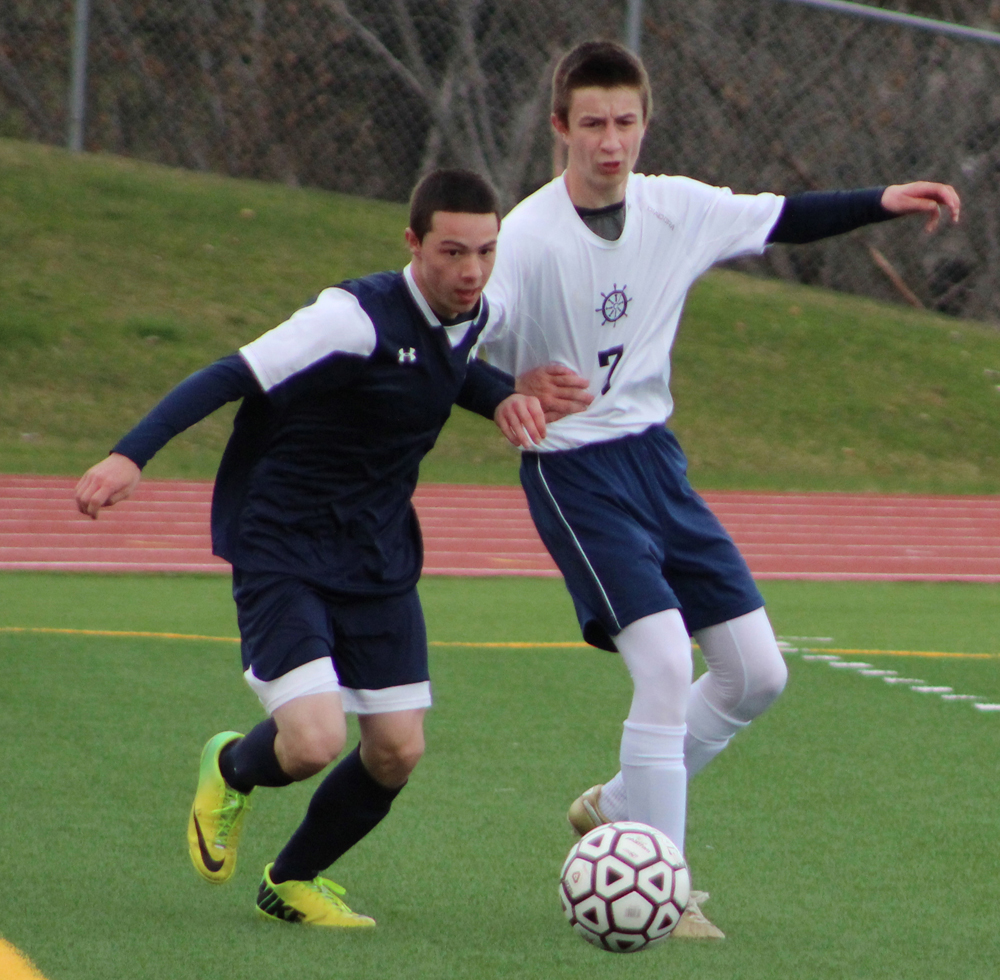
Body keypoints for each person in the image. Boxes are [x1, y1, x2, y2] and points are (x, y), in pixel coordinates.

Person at [481, 40, 961, 938]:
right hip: (574, 473)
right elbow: (457, 343)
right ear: (560, 129)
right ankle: (667, 886)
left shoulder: (677, 208)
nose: (611, 142)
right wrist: (504, 392)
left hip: (657, 462)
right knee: (664, 667)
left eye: (626, 122)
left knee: (757, 675)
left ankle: (618, 802)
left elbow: (783, 217)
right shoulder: (527, 241)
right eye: (592, 124)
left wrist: (886, 201)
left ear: (644, 124)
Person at [74, 169, 577, 928]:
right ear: (412, 244)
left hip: (376, 550)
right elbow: (229, 374)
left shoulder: (476, 308)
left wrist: (501, 393)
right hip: (283, 539)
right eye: (451, 251)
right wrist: (130, 454)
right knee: (312, 742)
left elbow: (446, 364)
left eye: (484, 251)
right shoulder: (349, 317)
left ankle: (292, 880)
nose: (470, 270)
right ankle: (230, 766)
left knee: (397, 751)